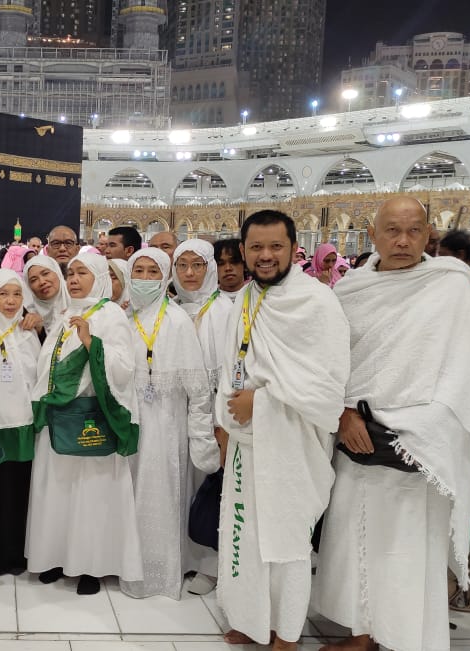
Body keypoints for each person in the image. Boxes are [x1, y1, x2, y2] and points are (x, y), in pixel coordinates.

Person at [314, 197, 470, 651]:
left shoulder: (450, 284)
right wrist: (343, 412)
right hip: (358, 435)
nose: (403, 241)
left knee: (408, 549)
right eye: (392, 230)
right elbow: (330, 364)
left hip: (422, 444)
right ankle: (362, 635)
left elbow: (463, 370)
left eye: (413, 231)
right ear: (373, 235)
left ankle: (407, 638)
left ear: (428, 234)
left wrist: (419, 426)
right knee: (355, 540)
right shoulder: (350, 291)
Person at [215, 211, 350, 650]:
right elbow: (230, 365)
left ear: (294, 248)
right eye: (256, 247)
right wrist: (226, 418)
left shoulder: (317, 302)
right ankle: (249, 617)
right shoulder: (245, 298)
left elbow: (328, 385)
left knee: (287, 539)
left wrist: (261, 403)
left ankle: (286, 632)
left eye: (276, 246)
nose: (266, 256)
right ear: (244, 251)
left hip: (292, 441)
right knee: (244, 533)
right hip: (246, 440)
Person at [27, 252, 143, 596]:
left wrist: (91, 342)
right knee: (58, 491)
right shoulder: (66, 313)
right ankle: (54, 557)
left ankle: (93, 566)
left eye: (82, 273)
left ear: (100, 278)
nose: (74, 279)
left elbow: (124, 367)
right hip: (60, 416)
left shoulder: (110, 314)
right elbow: (48, 362)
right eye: (71, 273)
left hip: (94, 416)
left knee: (93, 495)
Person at [120, 248, 218, 600]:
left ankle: (158, 569)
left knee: (160, 492)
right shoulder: (124, 318)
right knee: (129, 491)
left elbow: (197, 387)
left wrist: (201, 434)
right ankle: (126, 562)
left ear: (164, 278)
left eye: (153, 272)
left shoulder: (176, 320)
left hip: (166, 422)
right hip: (130, 420)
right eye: (139, 271)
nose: (145, 279)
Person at [173, 238, 238, 596]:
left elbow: (232, 370)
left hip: (214, 415)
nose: (189, 273)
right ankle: (184, 557)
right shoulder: (173, 309)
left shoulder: (225, 310)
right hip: (175, 413)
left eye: (197, 265)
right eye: (182, 265)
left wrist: (223, 422)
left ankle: (212, 565)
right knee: (182, 483)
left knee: (211, 487)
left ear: (209, 268)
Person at [0, 269, 42, 576]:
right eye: (3, 294)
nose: (11, 301)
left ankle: (17, 554)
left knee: (19, 491)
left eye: (17, 294)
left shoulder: (27, 331)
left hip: (23, 425)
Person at [24, 254, 69, 335]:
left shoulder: (81, 302)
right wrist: (40, 331)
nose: (42, 282)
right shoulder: (28, 316)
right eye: (34, 280)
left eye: (45, 273)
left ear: (57, 272)